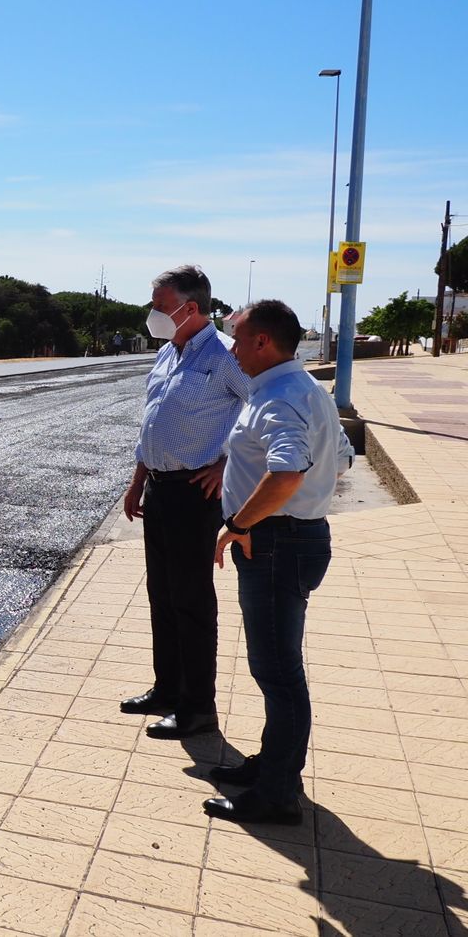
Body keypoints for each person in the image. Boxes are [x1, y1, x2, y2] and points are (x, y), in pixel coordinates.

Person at [206, 299, 352, 825]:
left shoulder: (279, 397)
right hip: (295, 538)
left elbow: (287, 472)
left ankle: (276, 794)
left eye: (238, 340)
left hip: (274, 544)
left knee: (277, 672)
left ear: (263, 342)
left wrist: (240, 524)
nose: (233, 351)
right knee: (277, 667)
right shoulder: (304, 389)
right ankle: (274, 766)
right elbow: (342, 457)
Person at [120, 266, 252, 739]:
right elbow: (151, 425)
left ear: (190, 308)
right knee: (162, 595)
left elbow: (260, 411)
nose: (152, 312)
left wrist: (227, 463)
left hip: (195, 494)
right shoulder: (167, 353)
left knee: (191, 600)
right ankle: (167, 689)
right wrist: (137, 482)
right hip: (159, 488)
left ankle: (197, 708)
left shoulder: (225, 356)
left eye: (160, 305)